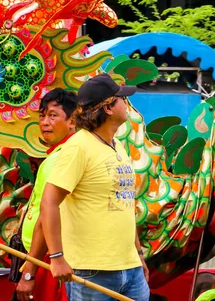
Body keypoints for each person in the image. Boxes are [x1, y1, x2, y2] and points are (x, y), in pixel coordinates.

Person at [41, 73, 150, 300]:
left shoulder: (118, 145)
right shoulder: (78, 147)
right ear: (109, 108)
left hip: (130, 269)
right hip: (91, 272)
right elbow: (49, 202)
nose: (126, 103)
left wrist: (138, 254)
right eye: (122, 99)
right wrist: (57, 257)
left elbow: (124, 204)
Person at [14, 88, 77, 301]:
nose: (44, 123)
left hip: (50, 259)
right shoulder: (57, 154)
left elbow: (47, 213)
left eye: (53, 115)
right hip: (43, 256)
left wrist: (30, 270)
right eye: (42, 116)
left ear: (72, 121)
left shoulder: (64, 158)